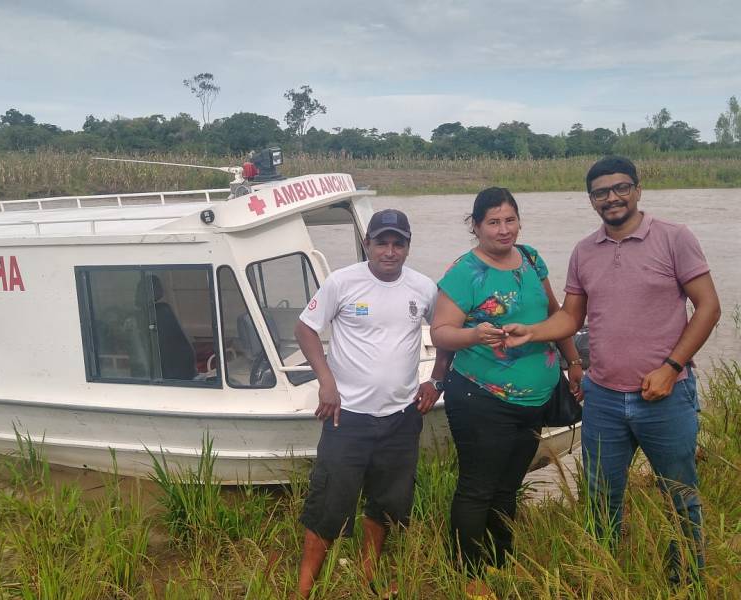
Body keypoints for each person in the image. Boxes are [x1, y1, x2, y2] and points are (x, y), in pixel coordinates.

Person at [503, 156, 721, 585]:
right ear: (591, 201)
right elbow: (570, 317)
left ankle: (688, 581)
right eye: (601, 192)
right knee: (601, 497)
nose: (612, 198)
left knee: (680, 495)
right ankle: (607, 576)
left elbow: (709, 307)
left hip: (666, 395)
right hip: (602, 398)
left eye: (621, 188)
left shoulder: (675, 238)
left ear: (638, 190)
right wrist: (530, 331)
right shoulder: (585, 251)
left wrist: (671, 367)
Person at [430, 187, 583, 599]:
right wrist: (473, 333)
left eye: (510, 220)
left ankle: (501, 558)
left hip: (534, 399)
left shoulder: (531, 258)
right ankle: (468, 573)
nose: (503, 229)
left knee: (507, 484)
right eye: (493, 222)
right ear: (475, 226)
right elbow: (440, 331)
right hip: (482, 397)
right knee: (478, 486)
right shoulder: (464, 272)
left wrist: (573, 362)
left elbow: (558, 315)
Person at [294, 209, 450, 599]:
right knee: (329, 502)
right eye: (382, 242)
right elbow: (305, 328)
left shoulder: (424, 288)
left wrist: (437, 380)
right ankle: (304, 587)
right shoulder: (342, 283)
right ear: (368, 244)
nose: (390, 251)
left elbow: (446, 333)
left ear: (408, 247)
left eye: (399, 243)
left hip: (401, 418)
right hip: (347, 418)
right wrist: (325, 381)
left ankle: (369, 575)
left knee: (388, 503)